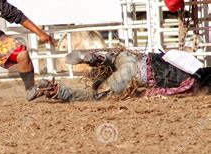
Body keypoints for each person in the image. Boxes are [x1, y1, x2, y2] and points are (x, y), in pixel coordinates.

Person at [35, 49, 211, 102]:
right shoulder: (191, 83)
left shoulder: (191, 66)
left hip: (140, 58)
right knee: (99, 97)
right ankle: (59, 91)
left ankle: (98, 58)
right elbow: (164, 91)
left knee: (113, 59)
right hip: (138, 73)